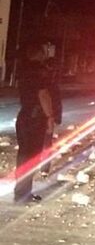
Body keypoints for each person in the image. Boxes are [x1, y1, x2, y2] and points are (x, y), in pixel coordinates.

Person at [14, 42, 60, 203]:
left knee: (23, 154)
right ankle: (23, 193)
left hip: (24, 116)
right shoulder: (39, 71)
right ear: (39, 54)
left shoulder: (24, 71)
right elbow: (43, 95)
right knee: (31, 156)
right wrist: (50, 117)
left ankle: (21, 191)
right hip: (35, 118)